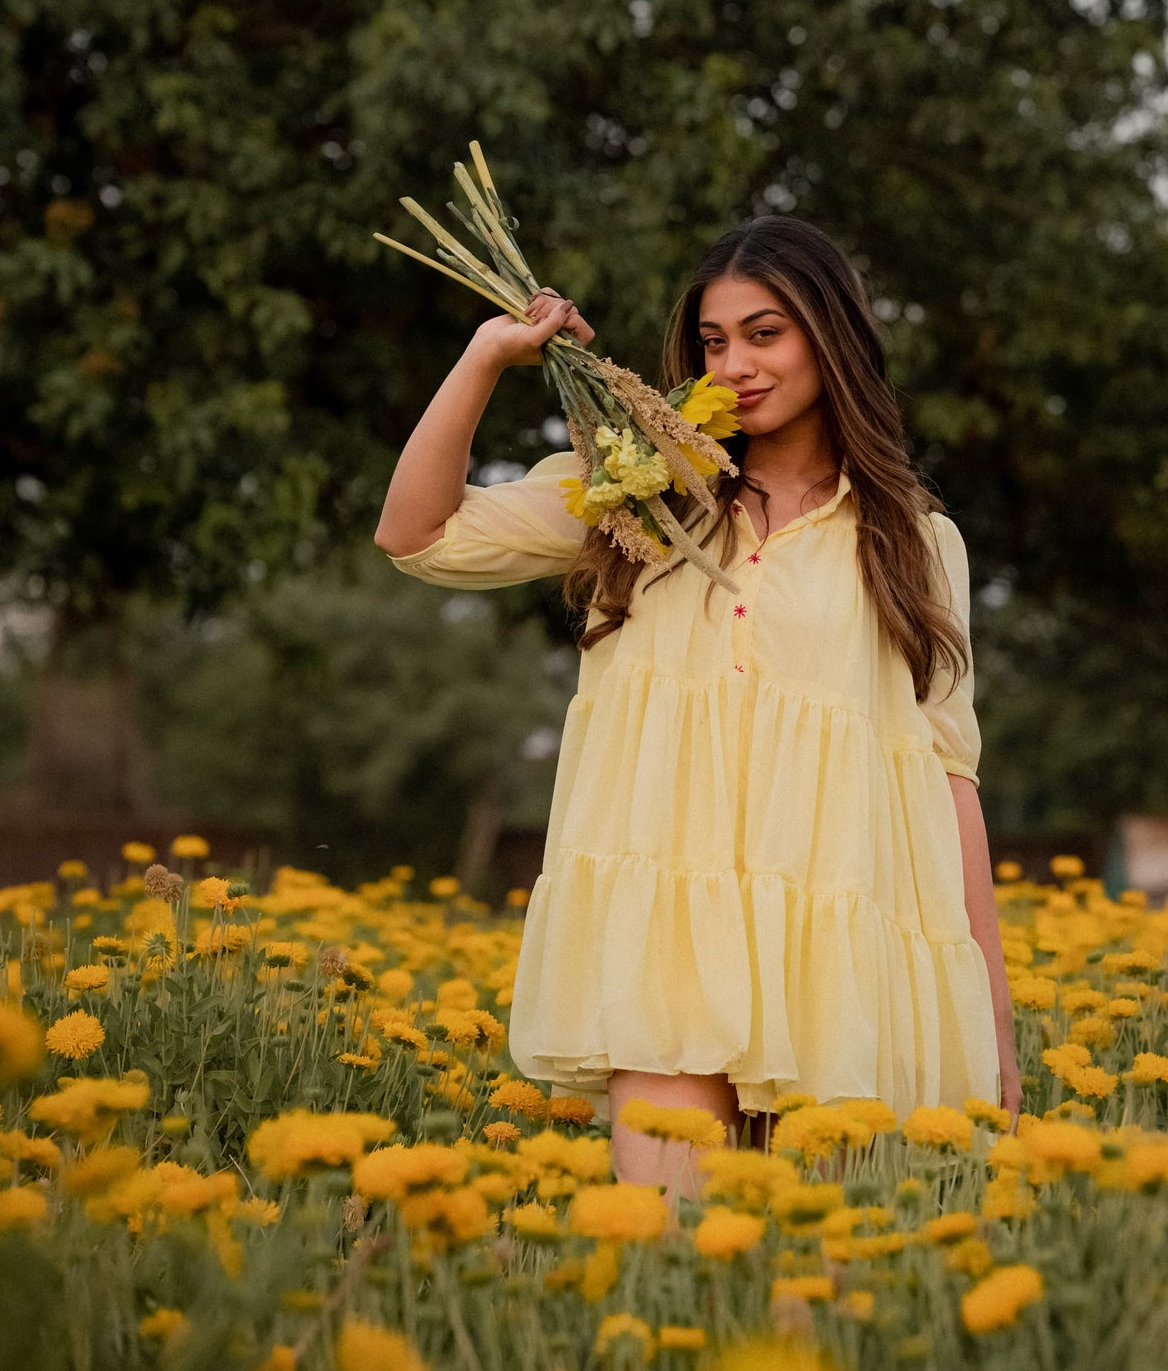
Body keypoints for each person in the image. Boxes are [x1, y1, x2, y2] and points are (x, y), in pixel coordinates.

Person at [374, 215, 1020, 1199]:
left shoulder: (913, 542)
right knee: (671, 1261)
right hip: (670, 955)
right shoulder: (637, 494)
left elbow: (947, 782)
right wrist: (486, 358)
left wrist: (992, 1024)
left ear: (830, 336)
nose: (737, 364)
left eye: (765, 333)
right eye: (715, 342)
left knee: (815, 1286)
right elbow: (416, 534)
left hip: (835, 964)